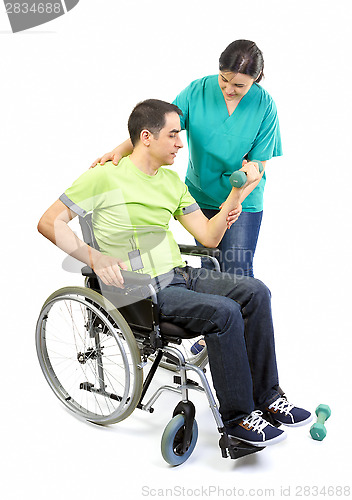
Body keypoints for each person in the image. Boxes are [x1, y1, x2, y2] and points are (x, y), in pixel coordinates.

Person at [38, 99, 311, 448]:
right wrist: (94, 256)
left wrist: (236, 193)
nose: (181, 143)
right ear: (147, 137)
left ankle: (268, 398)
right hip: (140, 290)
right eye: (174, 135)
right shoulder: (104, 176)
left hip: (180, 275)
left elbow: (208, 236)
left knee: (256, 291)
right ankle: (238, 422)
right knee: (224, 313)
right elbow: (49, 221)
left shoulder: (170, 181)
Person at [90, 40, 282, 278]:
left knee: (237, 271)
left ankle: (243, 313)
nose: (228, 89)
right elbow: (160, 128)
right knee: (212, 269)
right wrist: (119, 150)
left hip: (244, 198)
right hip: (201, 193)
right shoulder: (197, 91)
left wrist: (235, 200)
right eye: (223, 79)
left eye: (239, 85)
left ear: (256, 78)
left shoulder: (265, 106)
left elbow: (259, 164)